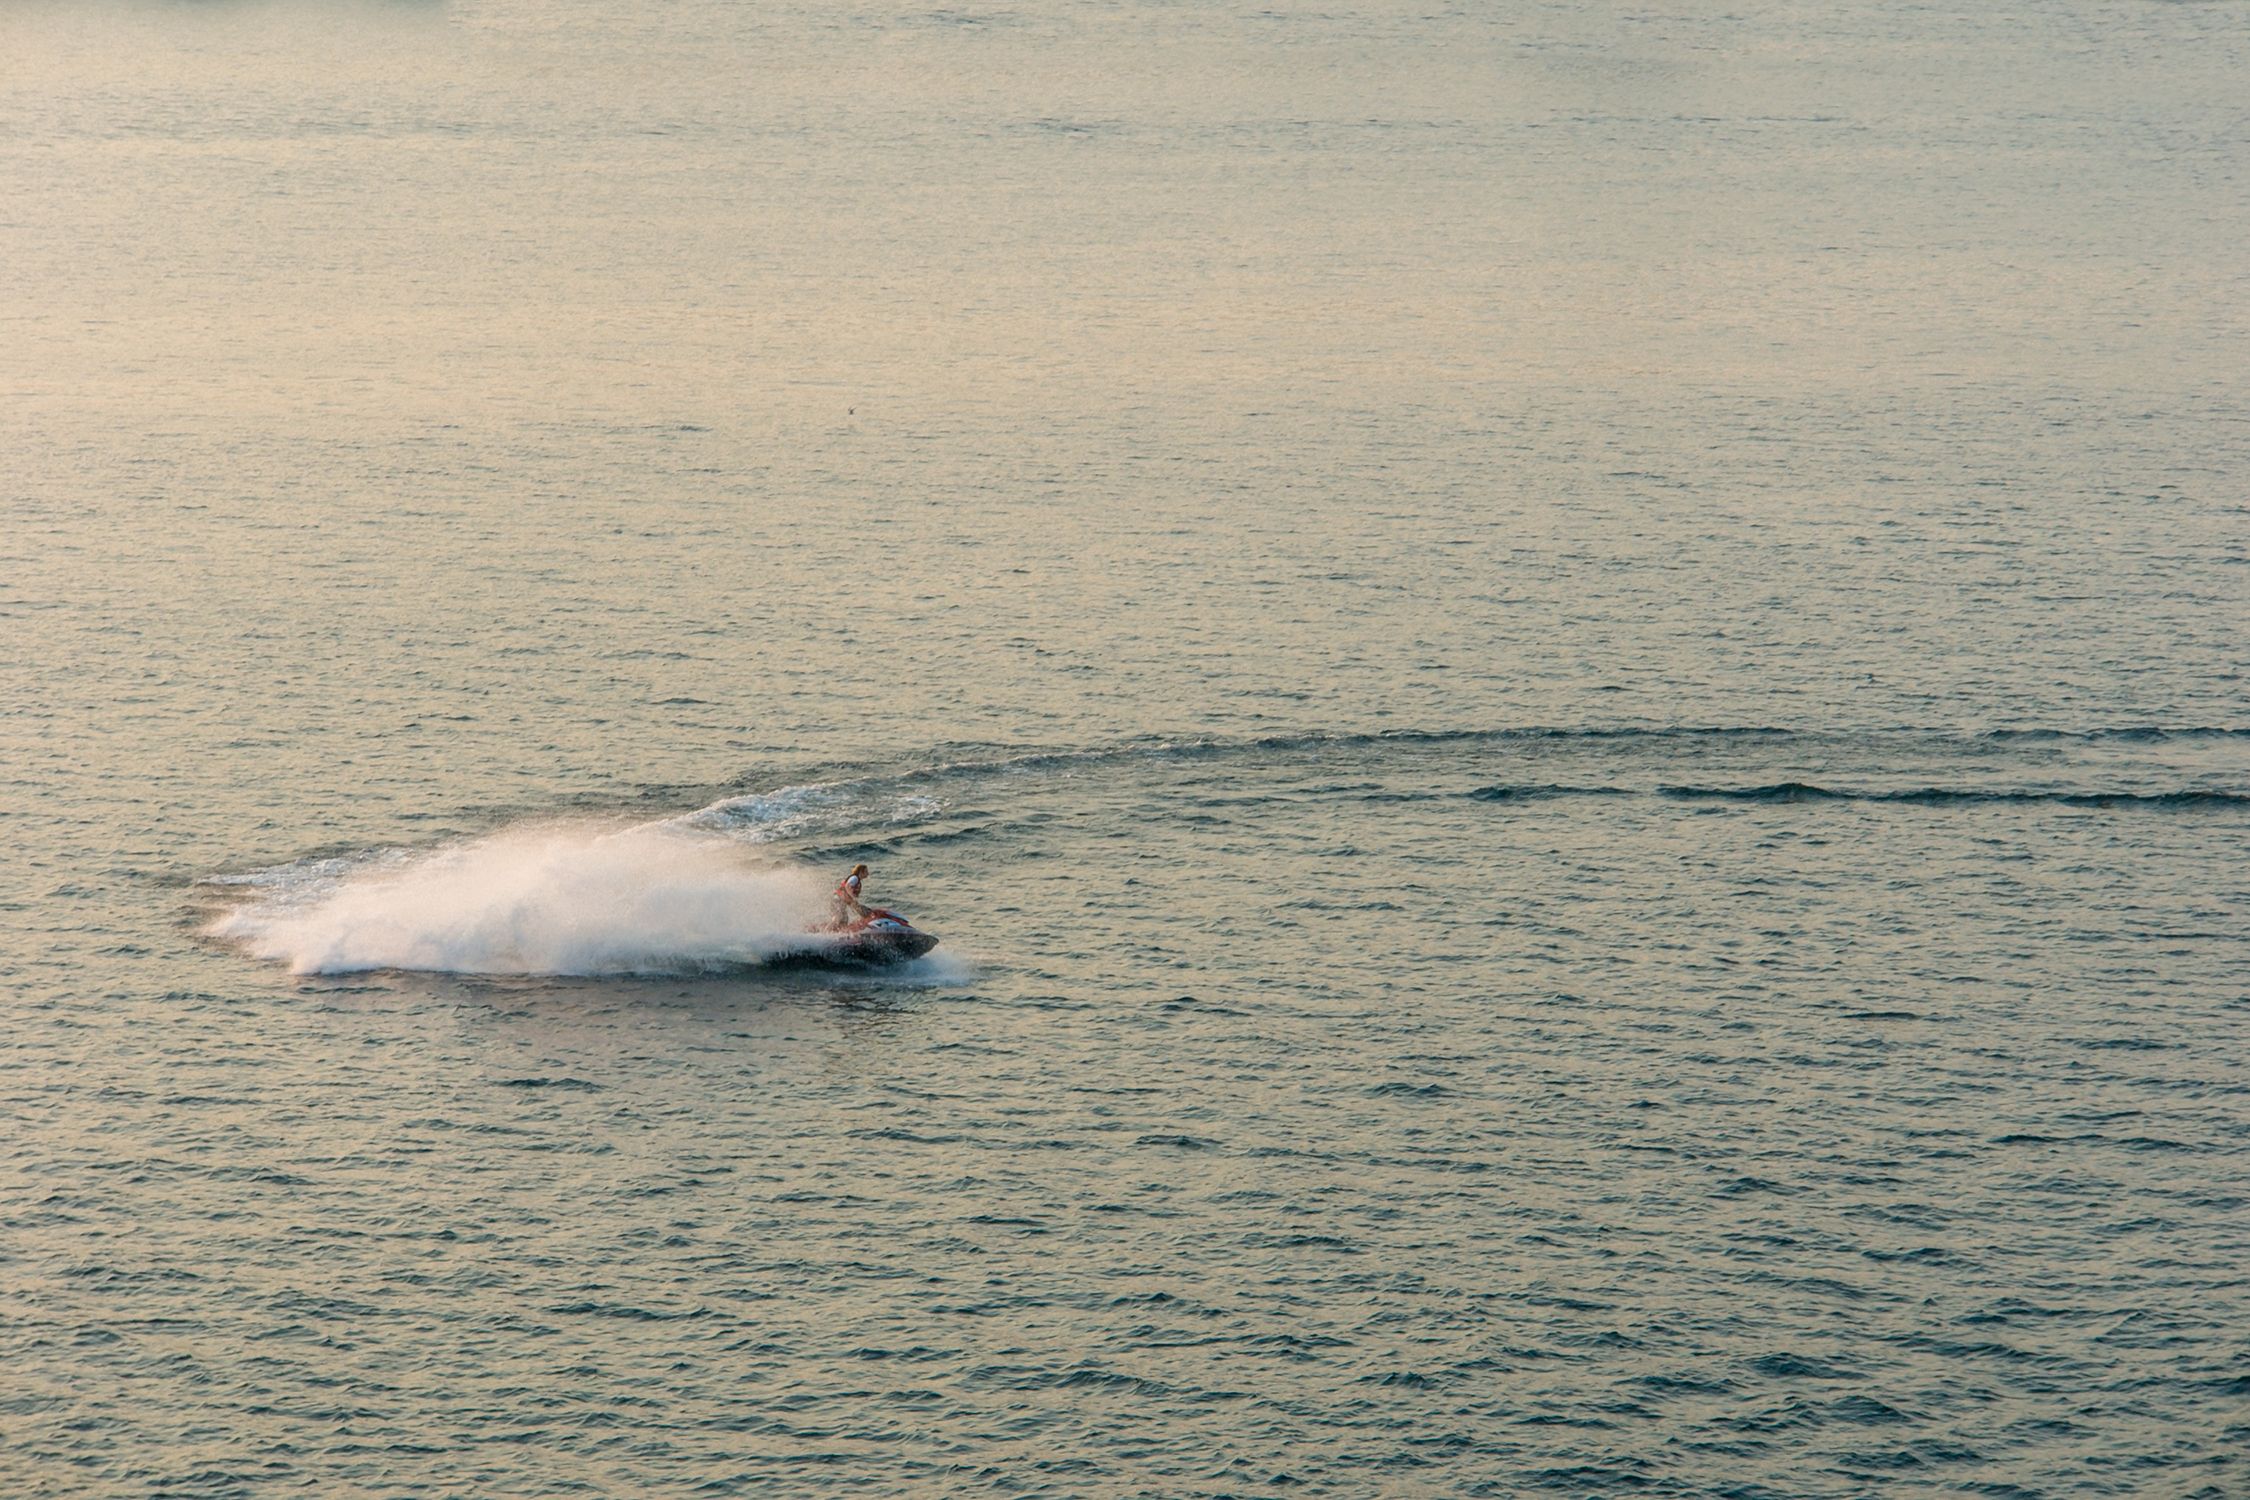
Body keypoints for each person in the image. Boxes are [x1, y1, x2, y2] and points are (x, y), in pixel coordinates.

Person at [830, 863, 872, 928]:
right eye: (866, 871)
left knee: (844, 919)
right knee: (840, 918)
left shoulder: (857, 880)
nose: (868, 873)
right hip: (837, 899)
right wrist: (852, 897)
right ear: (861, 872)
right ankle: (828, 932)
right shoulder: (855, 878)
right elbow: (847, 886)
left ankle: (839, 932)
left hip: (839, 900)